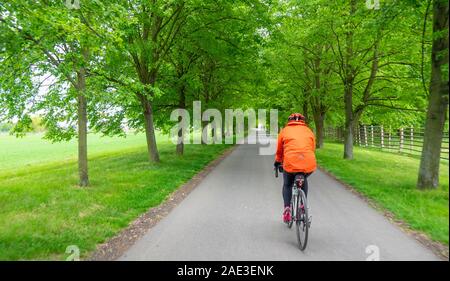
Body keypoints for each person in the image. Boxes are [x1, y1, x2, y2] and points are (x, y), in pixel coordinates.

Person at [274, 113, 317, 223]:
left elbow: (280, 150)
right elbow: (312, 148)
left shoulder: (284, 131)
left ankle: (287, 209)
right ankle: (303, 206)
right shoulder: (309, 131)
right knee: (304, 179)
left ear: (289, 121)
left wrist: (277, 162)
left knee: (287, 184)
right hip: (308, 161)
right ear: (303, 121)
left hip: (290, 162)